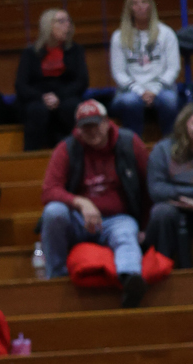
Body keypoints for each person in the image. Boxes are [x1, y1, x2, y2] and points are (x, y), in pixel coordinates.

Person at [40, 98, 149, 304]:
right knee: (53, 212)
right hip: (79, 220)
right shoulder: (67, 148)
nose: (92, 131)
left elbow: (147, 187)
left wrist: (144, 226)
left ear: (107, 122)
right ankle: (56, 276)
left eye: (96, 125)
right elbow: (49, 190)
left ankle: (130, 280)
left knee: (126, 232)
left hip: (118, 218)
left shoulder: (129, 143)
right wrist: (81, 202)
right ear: (78, 129)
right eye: (85, 127)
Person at [109, 0, 181, 135]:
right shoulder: (118, 36)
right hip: (130, 90)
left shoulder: (166, 33)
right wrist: (140, 91)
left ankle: (170, 143)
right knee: (130, 102)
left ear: (151, 5)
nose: (140, 6)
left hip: (162, 88)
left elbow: (173, 68)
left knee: (169, 101)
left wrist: (154, 90)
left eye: (144, 1)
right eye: (135, 3)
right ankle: (134, 144)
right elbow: (119, 73)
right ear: (129, 8)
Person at [15, 7, 90, 151]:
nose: (67, 25)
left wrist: (59, 97)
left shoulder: (75, 50)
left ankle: (77, 151)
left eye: (68, 21)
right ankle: (31, 156)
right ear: (48, 25)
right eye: (61, 21)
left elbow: (82, 81)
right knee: (36, 111)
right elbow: (21, 85)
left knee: (72, 107)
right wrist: (42, 97)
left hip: (66, 95)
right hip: (38, 97)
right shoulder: (30, 53)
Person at [146, 102, 193, 269]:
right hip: (173, 207)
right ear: (184, 124)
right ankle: (163, 268)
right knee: (162, 213)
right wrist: (186, 197)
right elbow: (157, 189)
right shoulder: (163, 150)